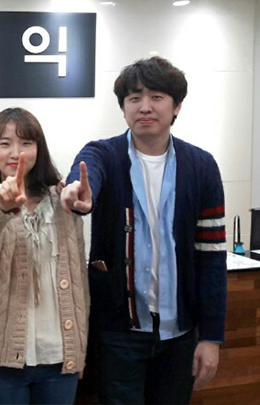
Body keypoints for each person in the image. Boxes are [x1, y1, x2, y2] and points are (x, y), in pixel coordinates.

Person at [60, 56, 227, 404]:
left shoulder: (202, 166)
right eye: (134, 98)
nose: (145, 107)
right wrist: (78, 191)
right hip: (119, 332)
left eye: (157, 97)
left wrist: (211, 337)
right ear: (123, 108)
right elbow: (86, 172)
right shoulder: (104, 154)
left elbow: (211, 257)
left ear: (176, 106)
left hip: (180, 332)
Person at [0, 108, 89, 404]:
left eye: (26, 143)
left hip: (60, 357)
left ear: (39, 148)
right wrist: (4, 201)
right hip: (2, 358)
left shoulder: (63, 202)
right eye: (5, 143)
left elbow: (79, 280)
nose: (16, 153)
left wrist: (79, 348)